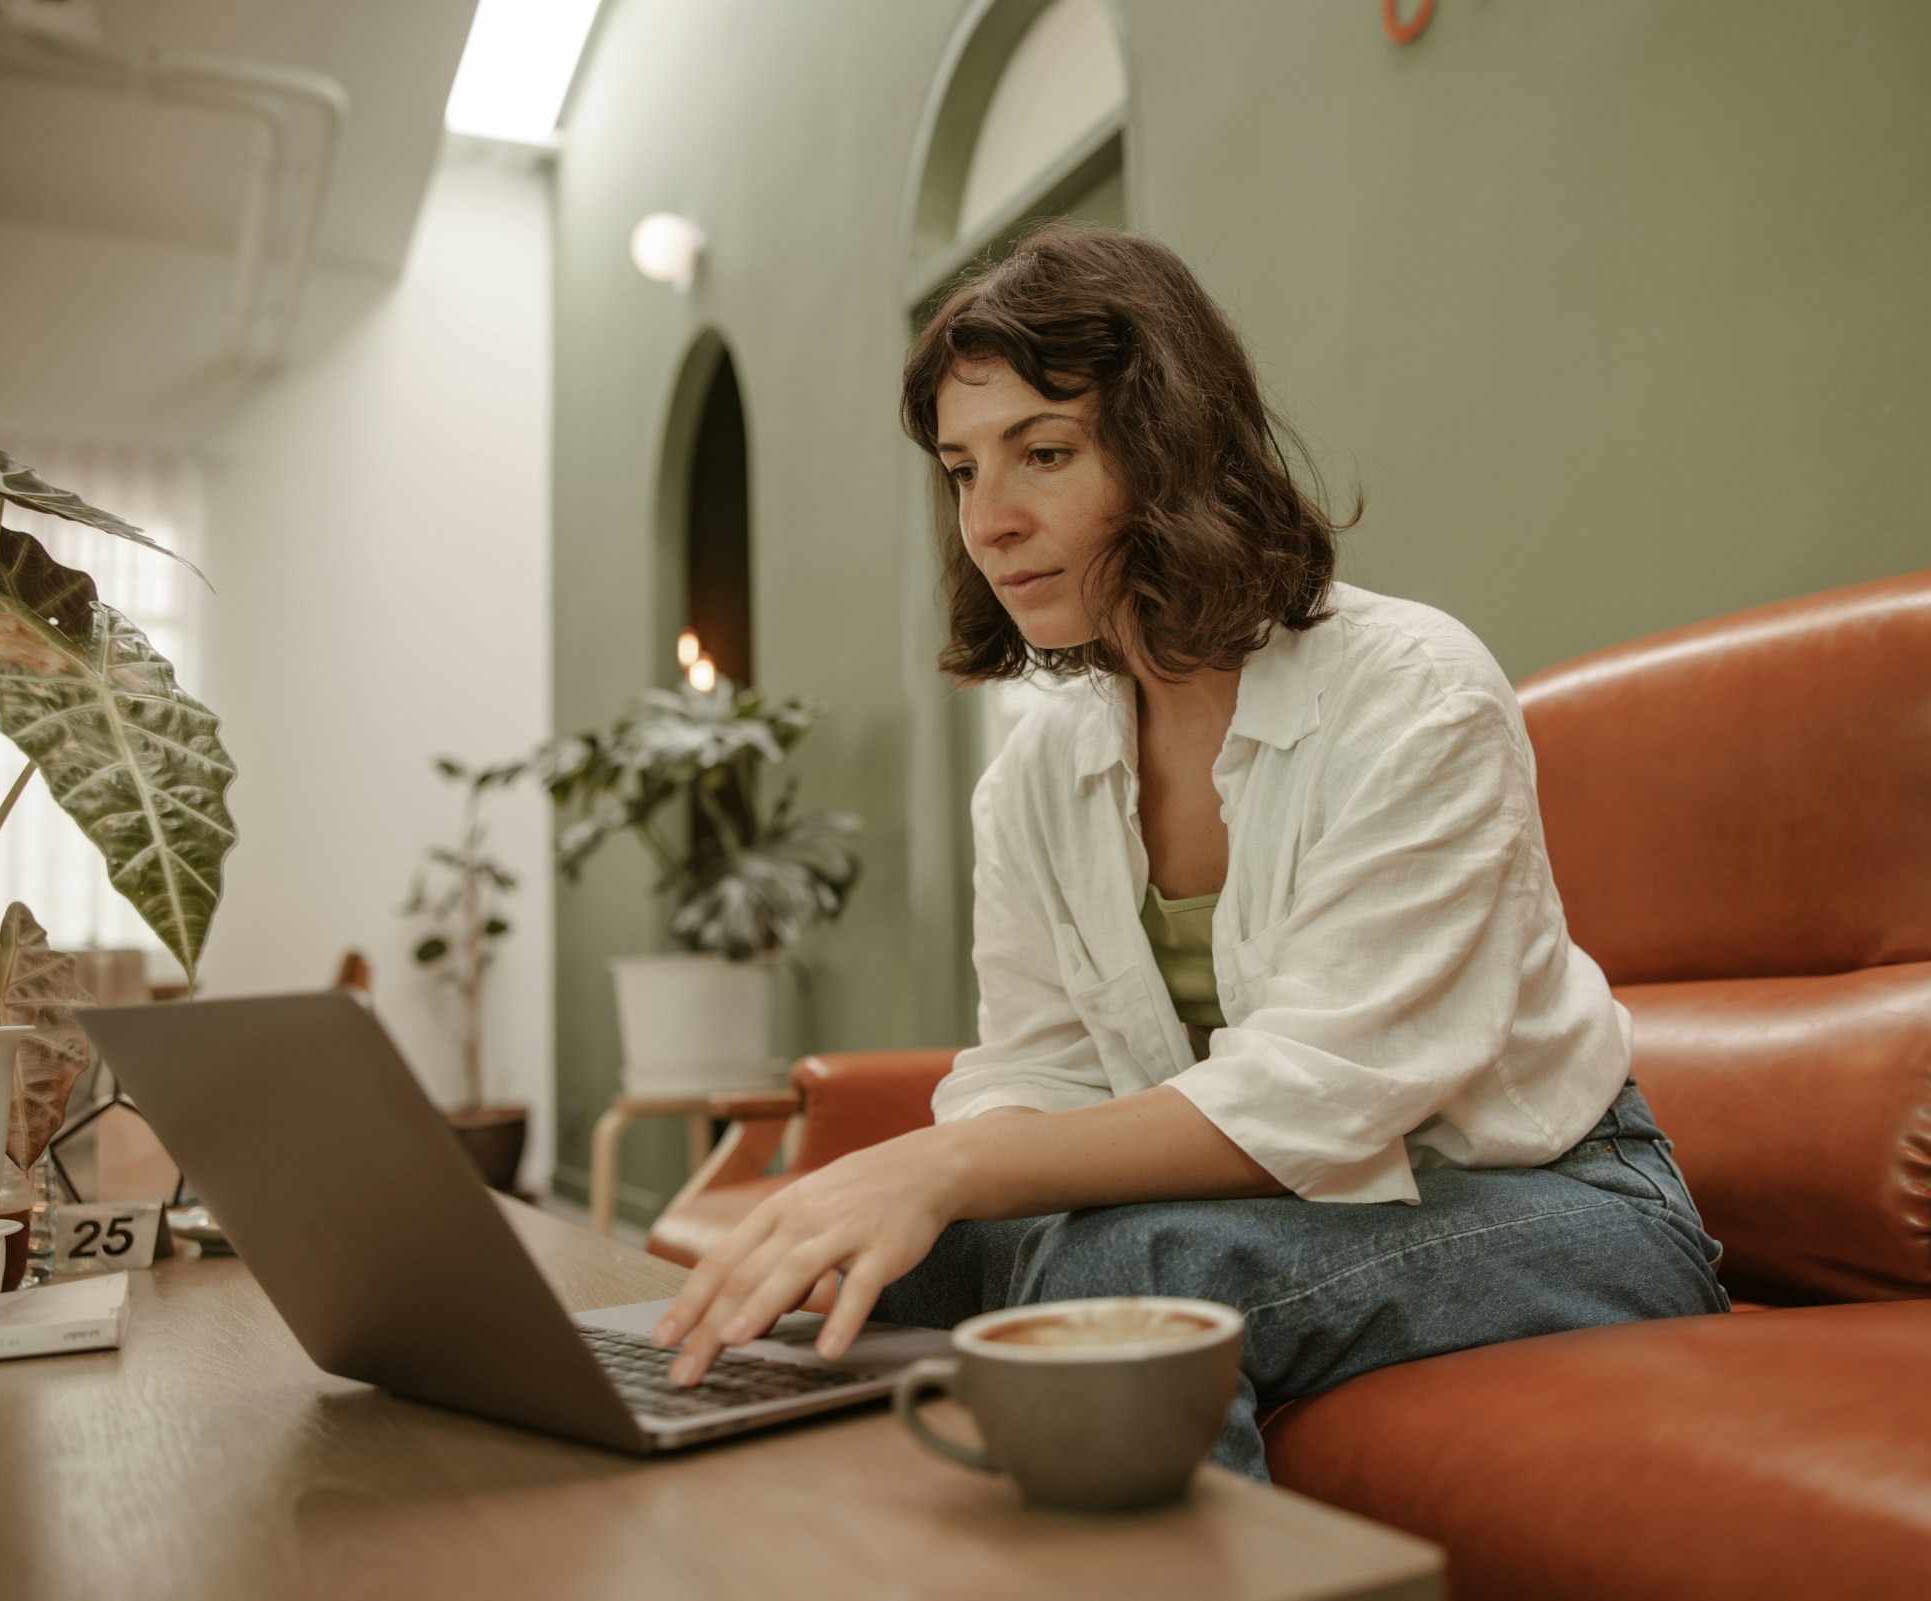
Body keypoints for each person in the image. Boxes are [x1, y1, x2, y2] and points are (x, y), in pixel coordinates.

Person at [652, 224, 1727, 1479]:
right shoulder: (1039, 775)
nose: (989, 522)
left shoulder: (1418, 693)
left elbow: (1321, 1092)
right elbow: (1041, 1066)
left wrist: (949, 1158)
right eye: (960, 470)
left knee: (1134, 1274)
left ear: (1170, 453)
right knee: (899, 1264)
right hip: (1297, 1209)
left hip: (1566, 1202)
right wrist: (919, 1190)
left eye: (1041, 454)